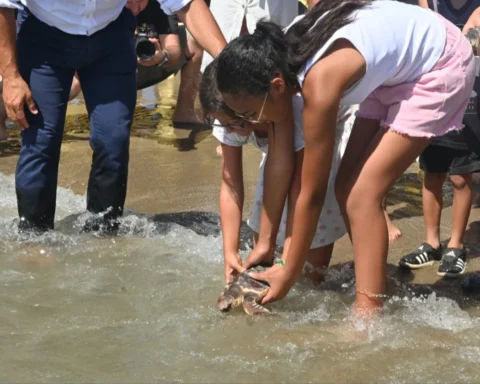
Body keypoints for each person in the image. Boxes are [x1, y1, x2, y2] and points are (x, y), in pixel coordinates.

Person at [214, 0, 476, 316]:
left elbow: (311, 191)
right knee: (345, 187)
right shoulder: (275, 57)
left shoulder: (319, 83)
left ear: (277, 86)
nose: (250, 121)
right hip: (392, 72)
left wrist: (289, 269)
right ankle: (381, 287)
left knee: (362, 195)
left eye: (249, 113)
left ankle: (368, 312)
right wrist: (267, 244)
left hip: (440, 64)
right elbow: (280, 163)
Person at [0, 0, 226, 233]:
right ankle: (34, 240)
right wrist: (10, 76)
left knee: (113, 140)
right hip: (43, 36)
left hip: (110, 36)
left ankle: (103, 234)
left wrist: (229, 62)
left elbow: (186, 4)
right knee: (41, 143)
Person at [200, 60, 355, 283]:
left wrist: (287, 263)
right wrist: (230, 252)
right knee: (263, 247)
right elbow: (230, 183)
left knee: (312, 266)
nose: (232, 130)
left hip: (324, 140)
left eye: (237, 122)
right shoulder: (226, 116)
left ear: (248, 106)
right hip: (278, 154)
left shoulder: (295, 110)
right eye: (225, 125)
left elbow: (301, 190)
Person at [399, 0, 480, 277]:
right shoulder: (429, 4)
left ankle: (456, 245)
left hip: (470, 103)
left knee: (461, 175)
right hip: (434, 100)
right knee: (432, 173)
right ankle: (432, 243)